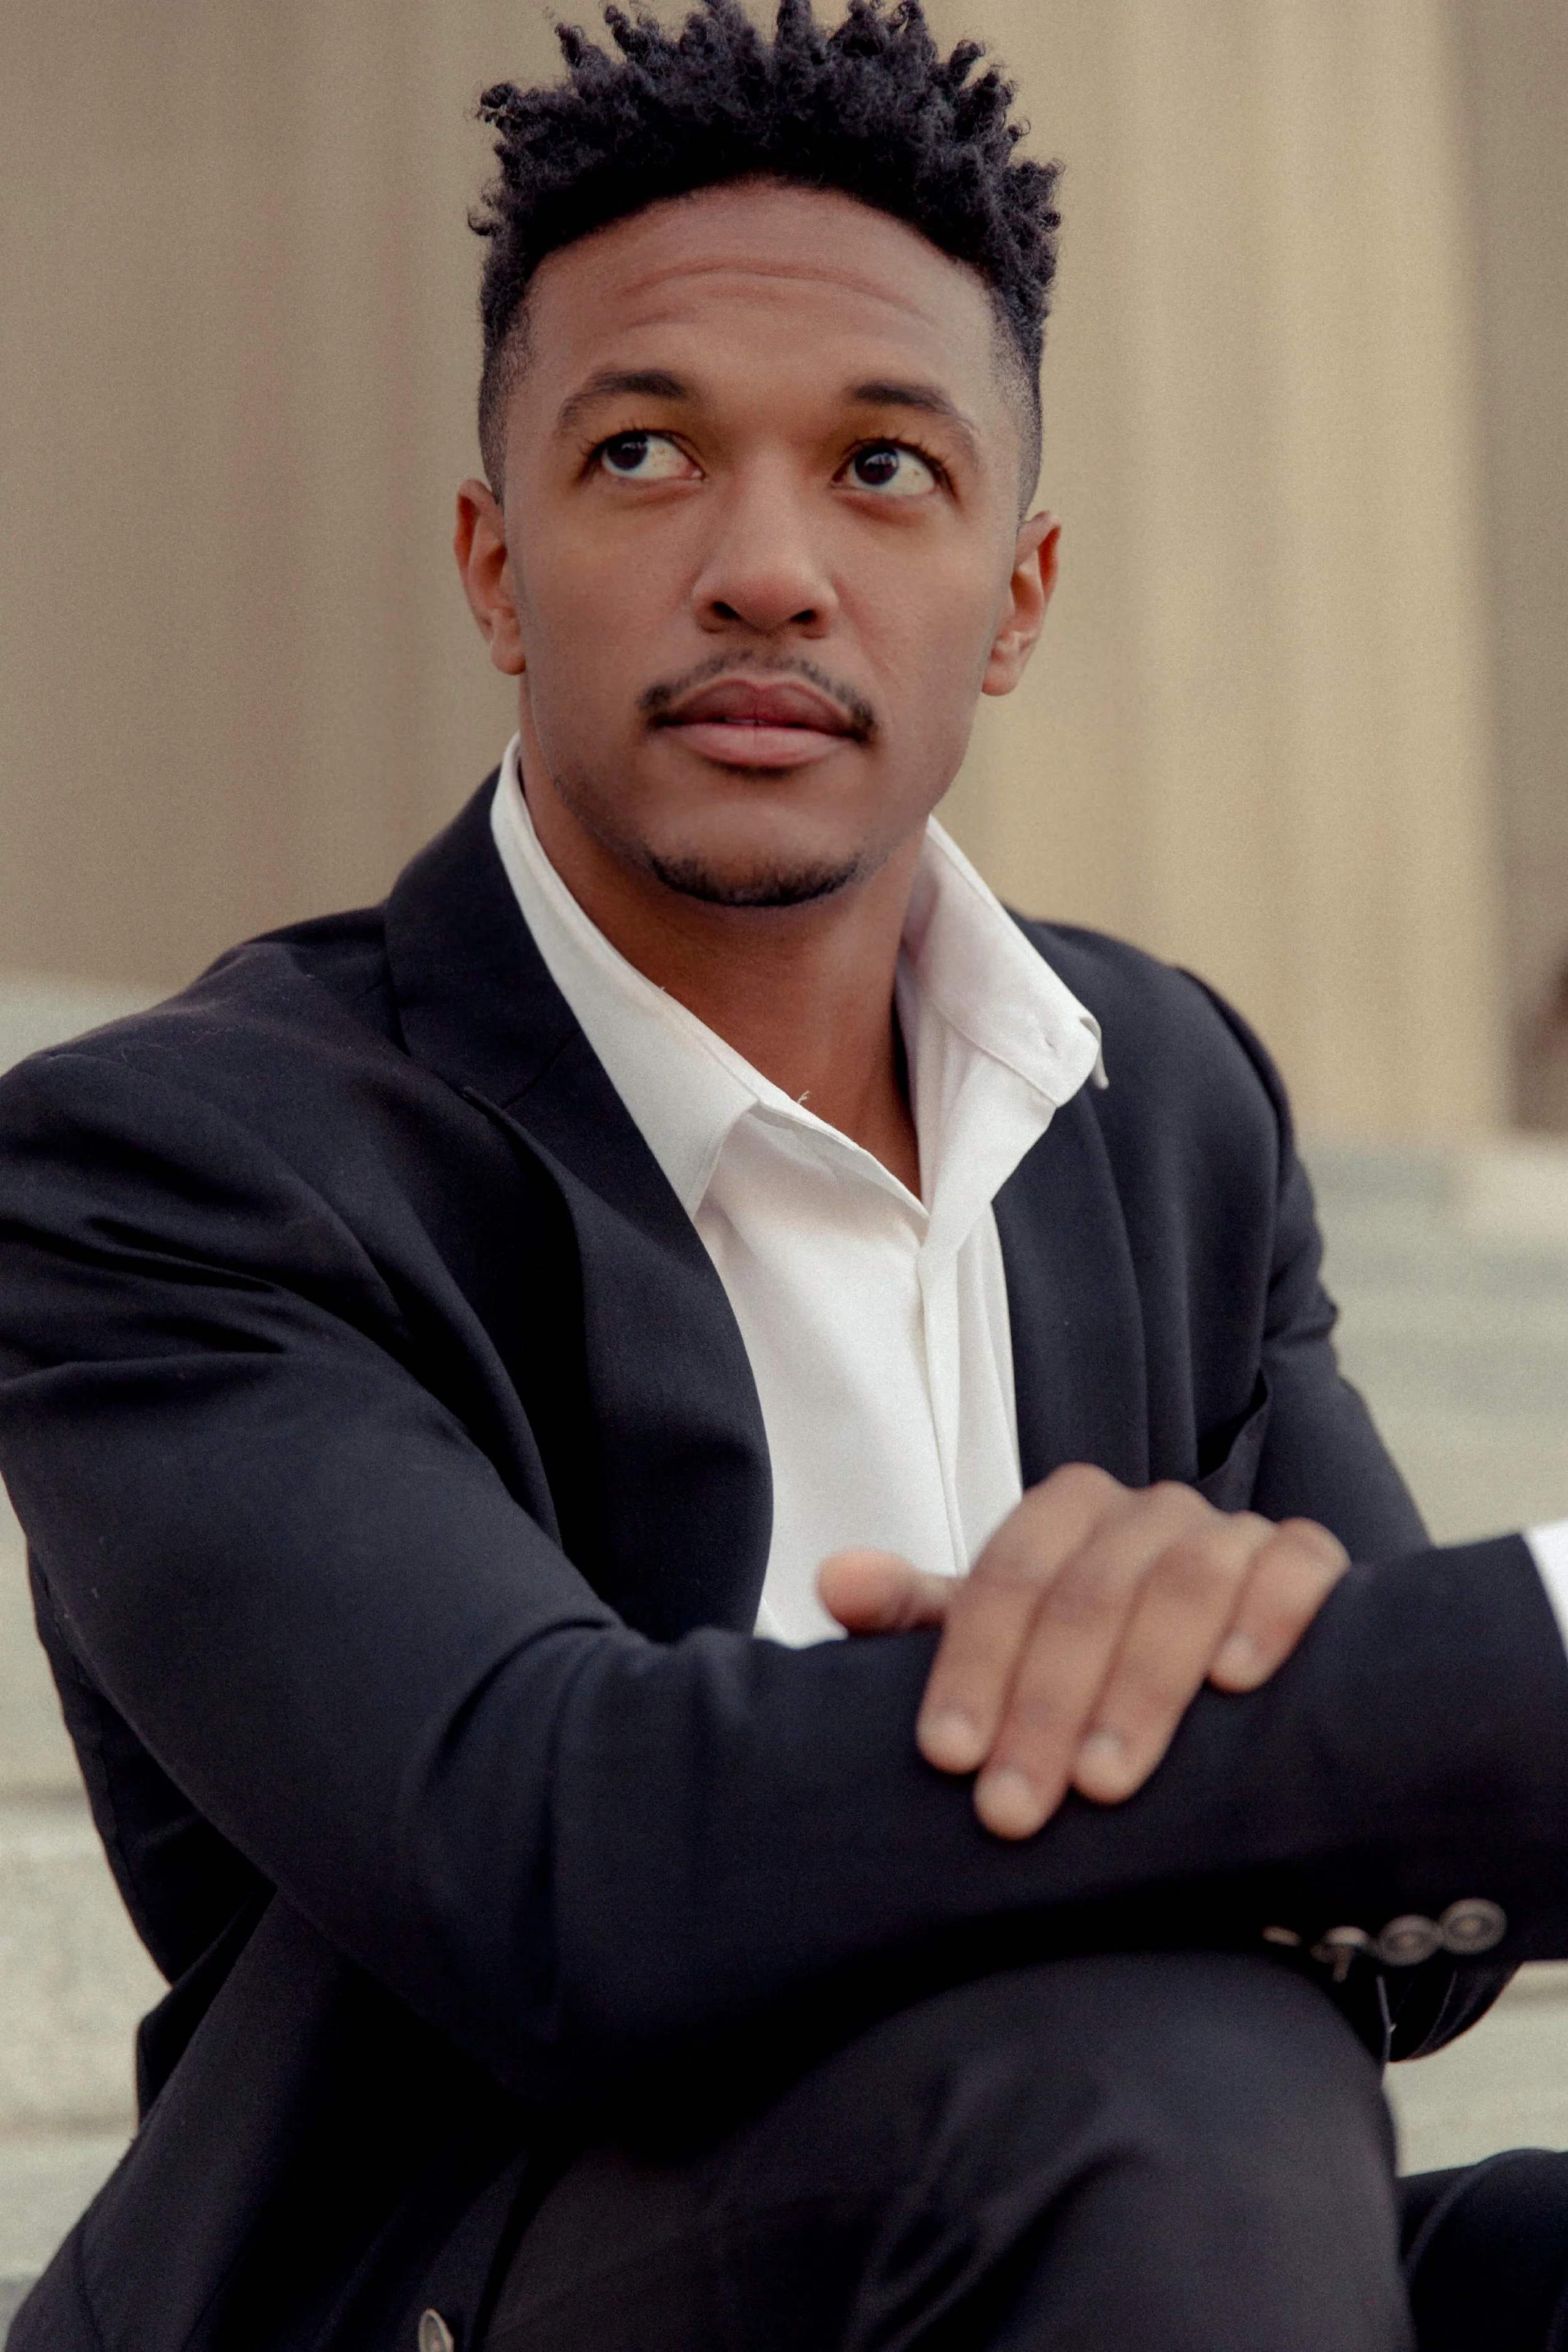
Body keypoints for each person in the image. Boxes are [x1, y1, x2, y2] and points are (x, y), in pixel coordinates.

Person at [0, 4, 1562, 2346]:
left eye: (881, 470)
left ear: (1016, 597)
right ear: (495, 562)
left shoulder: (1163, 1101)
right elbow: (553, 1858)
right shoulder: (182, 1163)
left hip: (1103, 2231)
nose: (764, 568)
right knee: (1176, 2069)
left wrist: (1227, 1667)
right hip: (478, 2280)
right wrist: (1337, 1692)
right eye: (641, 453)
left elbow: (1414, 1935)